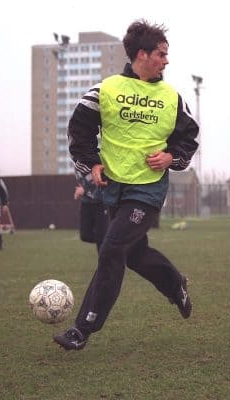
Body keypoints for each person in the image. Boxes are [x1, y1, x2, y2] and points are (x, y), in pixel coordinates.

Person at [53, 19, 199, 351]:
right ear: (142, 54)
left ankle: (82, 328)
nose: (166, 60)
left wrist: (171, 158)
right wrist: (92, 161)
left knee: (112, 249)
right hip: (113, 189)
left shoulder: (172, 97)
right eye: (161, 54)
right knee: (134, 253)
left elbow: (189, 138)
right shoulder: (104, 90)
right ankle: (176, 285)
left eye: (166, 54)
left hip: (148, 190)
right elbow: (80, 130)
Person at [74, 169, 108, 253]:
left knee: (101, 236)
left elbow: (104, 182)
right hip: (86, 203)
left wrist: (84, 190)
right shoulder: (77, 166)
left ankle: (106, 250)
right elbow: (83, 182)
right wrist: (81, 190)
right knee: (85, 236)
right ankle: (109, 243)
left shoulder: (94, 162)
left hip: (101, 203)